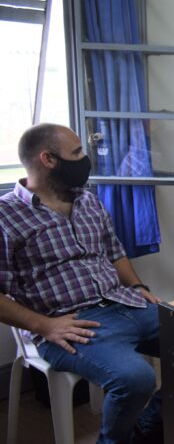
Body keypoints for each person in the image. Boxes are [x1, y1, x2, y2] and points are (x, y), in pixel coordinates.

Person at [0, 124, 163, 444]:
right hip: (70, 323)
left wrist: (137, 287)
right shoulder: (6, 216)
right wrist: (45, 326)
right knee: (136, 379)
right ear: (48, 159)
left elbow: (115, 253)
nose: (84, 159)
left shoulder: (88, 200)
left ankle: (147, 425)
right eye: (76, 153)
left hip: (125, 302)